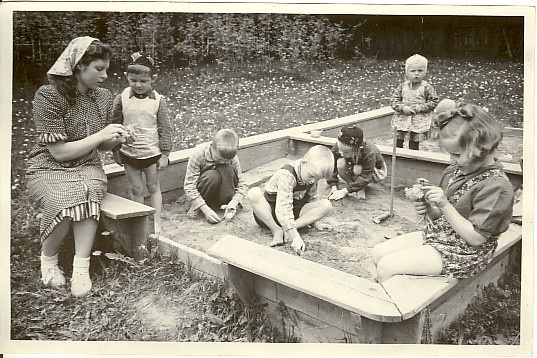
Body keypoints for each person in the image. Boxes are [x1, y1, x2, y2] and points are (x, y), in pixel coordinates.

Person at [26, 36, 131, 297]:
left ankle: (81, 267)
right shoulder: (48, 96)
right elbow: (59, 153)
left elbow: (102, 147)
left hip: (87, 166)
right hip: (48, 167)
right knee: (66, 195)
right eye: (99, 69)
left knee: (88, 190)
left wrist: (116, 138)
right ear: (78, 67)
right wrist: (100, 135)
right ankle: (48, 260)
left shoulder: (103, 97)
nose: (105, 75)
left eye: (106, 68)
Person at [371, 102, 514, 283]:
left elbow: (477, 238)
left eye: (456, 154)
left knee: (387, 266)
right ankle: (389, 291)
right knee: (378, 254)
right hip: (441, 236)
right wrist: (431, 209)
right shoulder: (457, 170)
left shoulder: (496, 187)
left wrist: (444, 205)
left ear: (480, 150)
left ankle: (396, 302)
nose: (452, 160)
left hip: (465, 252)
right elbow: (445, 214)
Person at [111, 52, 172, 235]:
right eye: (133, 80)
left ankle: (157, 221)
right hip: (129, 153)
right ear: (127, 78)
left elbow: (165, 127)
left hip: (151, 153)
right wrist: (115, 149)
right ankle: (140, 223)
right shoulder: (121, 98)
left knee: (153, 187)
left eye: (143, 81)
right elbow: (114, 123)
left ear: (153, 79)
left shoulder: (158, 101)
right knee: (136, 188)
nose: (138, 85)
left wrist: (165, 153)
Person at [248, 145, 334, 255]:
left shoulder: (311, 174)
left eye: (317, 179)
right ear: (303, 162)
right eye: (312, 176)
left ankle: (288, 228)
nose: (313, 181)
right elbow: (283, 208)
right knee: (253, 193)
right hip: (272, 211)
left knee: (326, 205)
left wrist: (314, 222)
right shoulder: (287, 175)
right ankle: (276, 230)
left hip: (294, 213)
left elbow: (312, 199)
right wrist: (294, 236)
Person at [183, 129, 247, 224]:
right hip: (203, 192)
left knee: (227, 169)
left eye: (226, 160)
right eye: (220, 159)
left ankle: (225, 205)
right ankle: (197, 207)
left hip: (222, 195)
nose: (222, 162)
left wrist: (235, 201)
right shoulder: (198, 154)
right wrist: (205, 210)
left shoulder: (232, 157)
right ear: (212, 147)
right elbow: (189, 186)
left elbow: (242, 183)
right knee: (212, 176)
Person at [390, 54, 439, 150]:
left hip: (418, 119)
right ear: (407, 72)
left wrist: (420, 108)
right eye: (413, 71)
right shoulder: (403, 86)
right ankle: (398, 157)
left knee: (414, 142)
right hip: (402, 119)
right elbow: (393, 100)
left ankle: (413, 158)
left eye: (420, 71)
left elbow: (434, 101)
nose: (416, 74)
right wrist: (403, 108)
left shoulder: (426, 87)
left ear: (425, 72)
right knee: (398, 141)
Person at [327, 126, 387, 200]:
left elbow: (366, 176)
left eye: (346, 152)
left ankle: (359, 188)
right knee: (340, 163)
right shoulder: (340, 145)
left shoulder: (369, 152)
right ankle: (351, 185)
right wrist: (333, 185)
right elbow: (332, 165)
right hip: (353, 163)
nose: (341, 153)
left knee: (357, 169)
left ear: (356, 150)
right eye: (340, 150)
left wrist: (344, 191)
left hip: (375, 172)